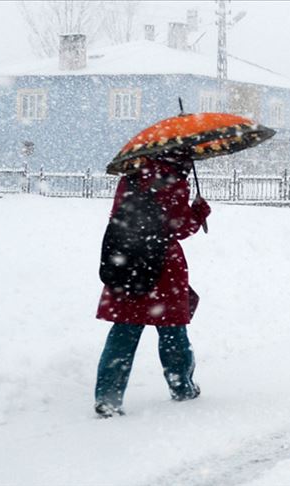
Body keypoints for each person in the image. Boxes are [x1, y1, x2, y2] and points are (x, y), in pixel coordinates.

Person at [94, 157, 210, 418]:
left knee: (124, 331)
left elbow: (118, 215)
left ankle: (108, 397)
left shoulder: (131, 176)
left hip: (128, 260)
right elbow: (178, 227)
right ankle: (182, 387)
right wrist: (199, 212)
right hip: (162, 265)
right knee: (172, 331)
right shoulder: (174, 181)